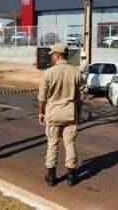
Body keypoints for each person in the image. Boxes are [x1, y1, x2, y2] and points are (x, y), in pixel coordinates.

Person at [38, 43, 82, 187]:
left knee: (52, 144)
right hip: (70, 113)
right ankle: (71, 176)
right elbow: (80, 98)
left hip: (53, 113)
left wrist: (41, 112)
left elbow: (42, 98)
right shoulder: (76, 72)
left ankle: (51, 176)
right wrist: (78, 114)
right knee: (70, 144)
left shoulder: (48, 73)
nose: (51, 56)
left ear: (56, 55)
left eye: (52, 54)